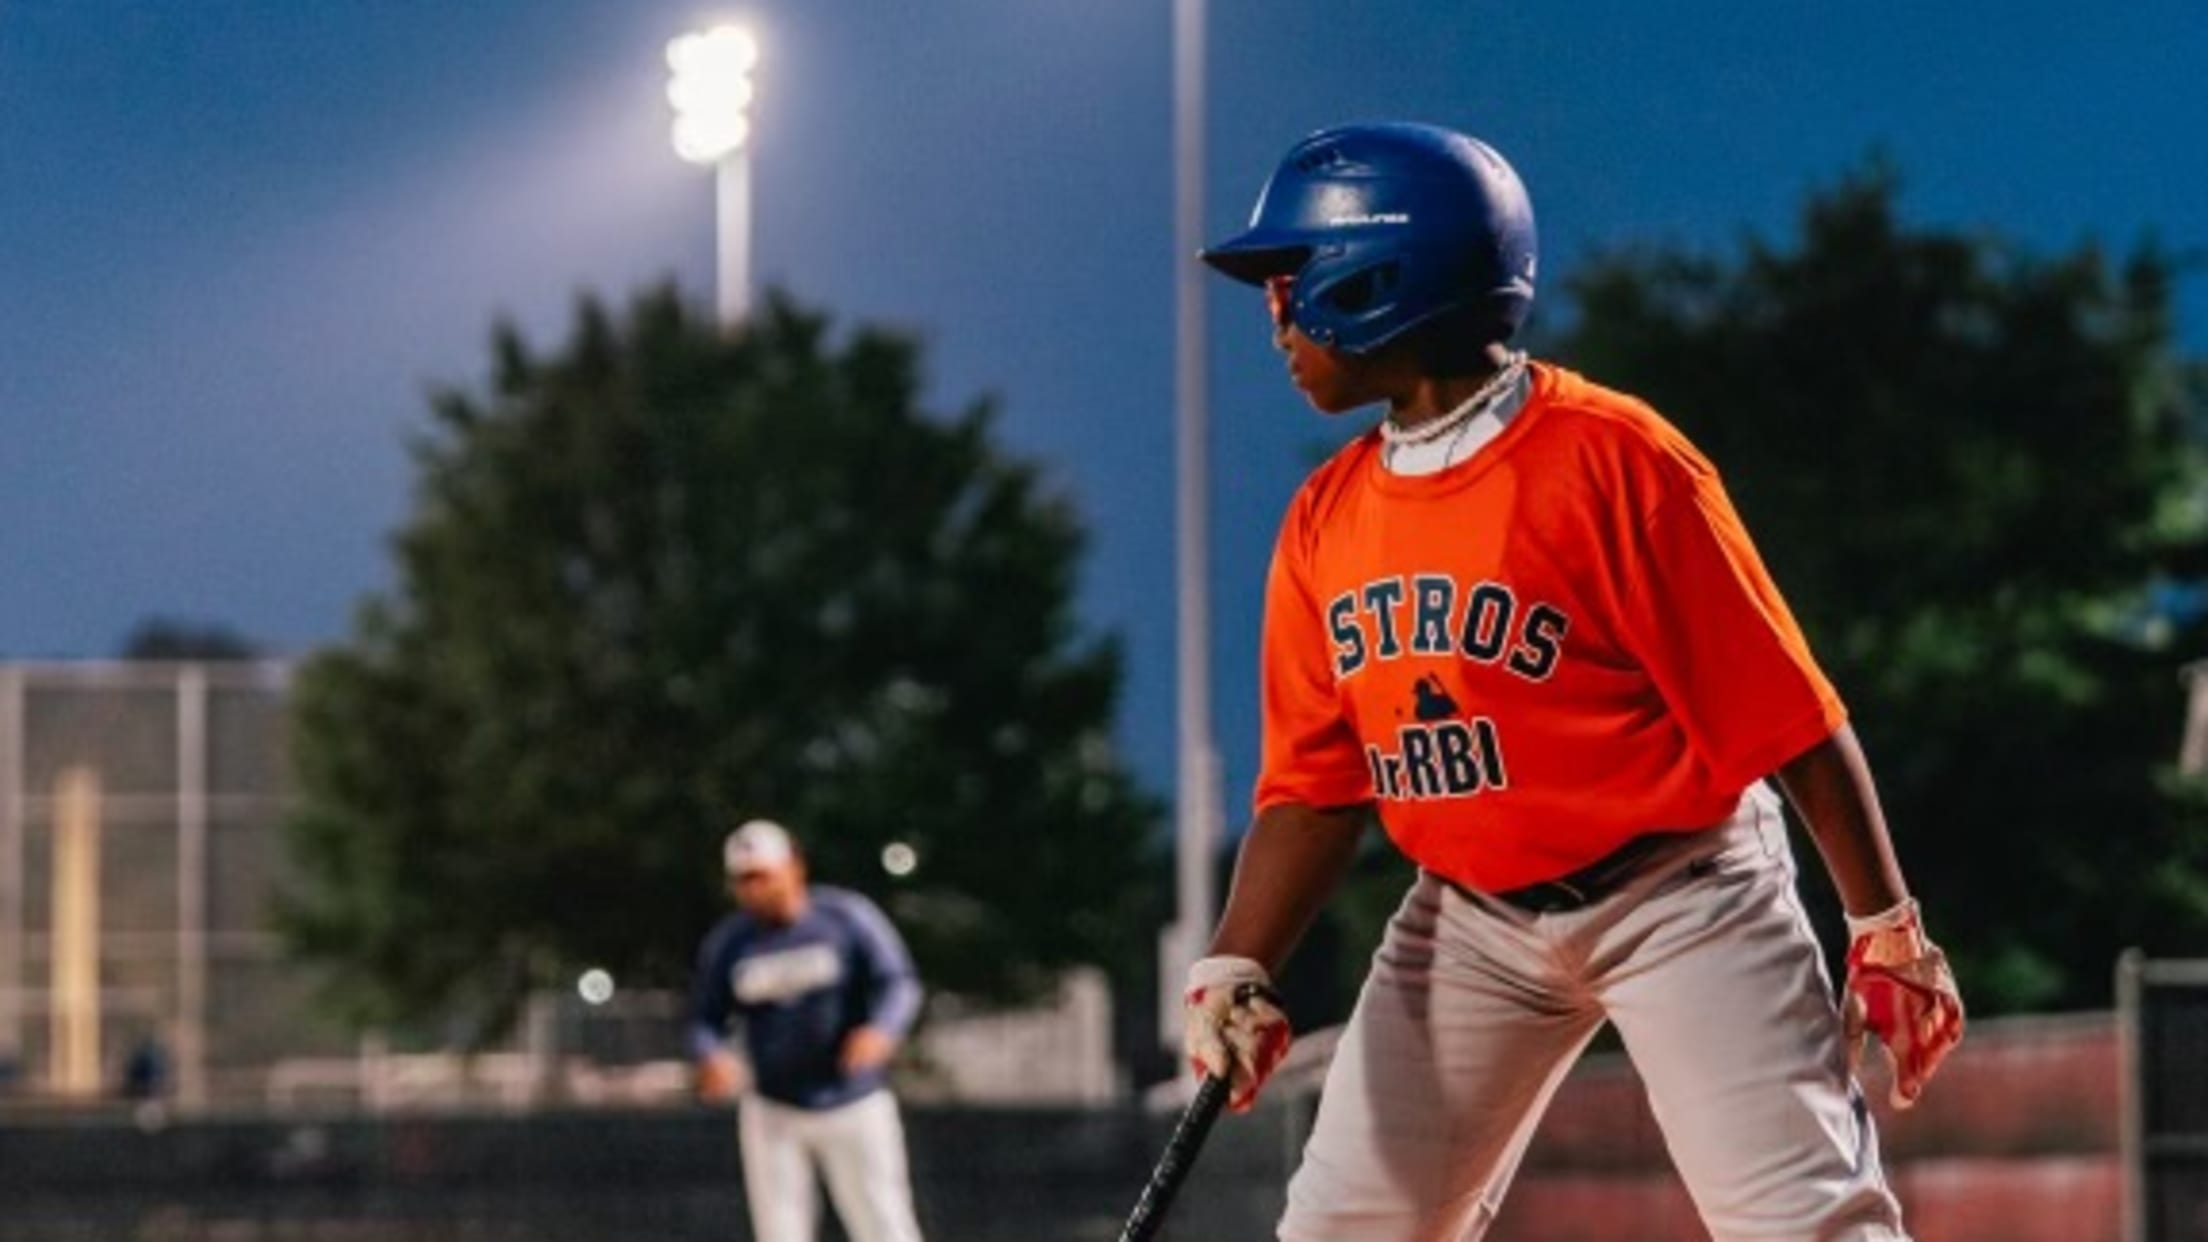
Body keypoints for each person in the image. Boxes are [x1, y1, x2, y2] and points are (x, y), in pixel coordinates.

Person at [1183, 122, 1966, 1241]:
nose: (1273, 314)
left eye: (1291, 276)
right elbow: (1314, 785)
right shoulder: (1325, 517)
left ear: (1383, 276)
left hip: (1682, 891)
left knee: (1811, 1229)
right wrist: (1237, 959)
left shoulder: (1611, 459)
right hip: (1470, 917)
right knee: (1344, 1229)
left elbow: (1790, 718)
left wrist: (1886, 925)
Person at [690, 819, 926, 1242]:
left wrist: (881, 1030)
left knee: (883, 1224)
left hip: (854, 1100)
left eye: (762, 875)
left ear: (794, 866)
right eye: (743, 880)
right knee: (780, 1233)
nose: (754, 889)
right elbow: (705, 1019)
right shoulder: (731, 942)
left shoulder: (844, 917)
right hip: (774, 1107)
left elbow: (899, 982)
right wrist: (712, 1055)